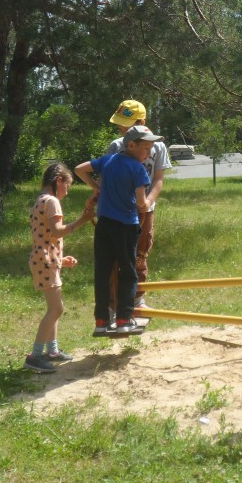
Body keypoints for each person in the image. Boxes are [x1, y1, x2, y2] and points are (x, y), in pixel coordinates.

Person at [75, 124, 162, 336]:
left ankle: (101, 320)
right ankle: (124, 318)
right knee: (129, 272)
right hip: (126, 227)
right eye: (145, 148)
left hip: (104, 225)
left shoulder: (108, 160)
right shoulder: (138, 169)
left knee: (103, 272)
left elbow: (79, 169)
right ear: (131, 145)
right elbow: (141, 203)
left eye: (151, 148)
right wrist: (147, 202)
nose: (149, 152)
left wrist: (97, 188)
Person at [24, 162, 96, 373]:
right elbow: (57, 231)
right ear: (58, 181)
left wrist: (61, 260)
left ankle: (52, 351)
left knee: (53, 309)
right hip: (45, 262)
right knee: (56, 309)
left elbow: (45, 236)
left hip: (45, 260)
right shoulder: (52, 201)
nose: (68, 191)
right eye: (68, 185)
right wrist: (83, 220)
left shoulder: (41, 200)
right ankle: (35, 356)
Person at [104, 99, 171, 310]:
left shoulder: (158, 147)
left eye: (126, 125)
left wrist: (148, 201)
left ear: (141, 123)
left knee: (140, 254)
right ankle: (113, 304)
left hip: (145, 211)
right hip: (118, 212)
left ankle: (137, 299)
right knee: (116, 256)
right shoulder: (116, 146)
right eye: (120, 124)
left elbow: (158, 179)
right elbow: (106, 178)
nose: (121, 128)